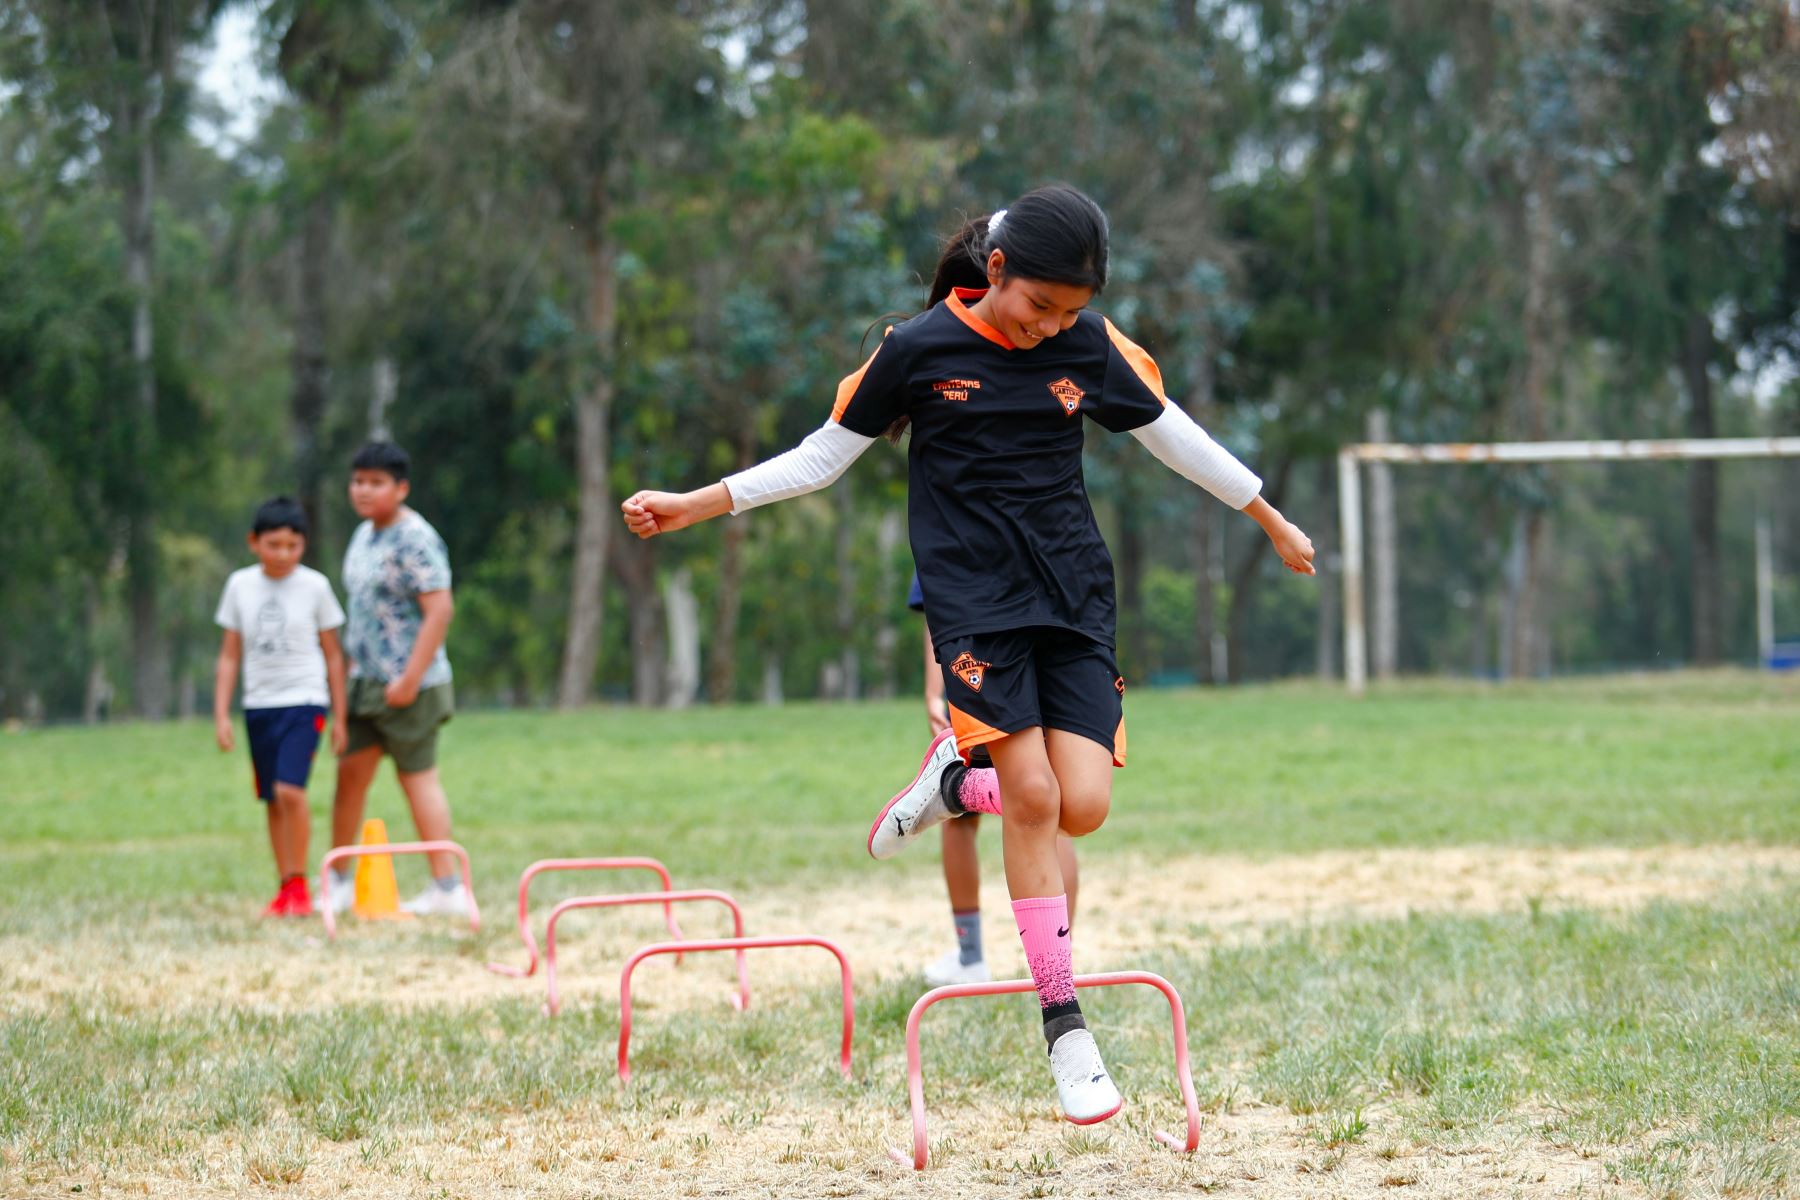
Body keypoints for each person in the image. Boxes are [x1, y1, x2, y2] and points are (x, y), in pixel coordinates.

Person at [621, 185, 1314, 1125]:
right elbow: (822, 457)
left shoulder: (1087, 345)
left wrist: (1265, 515)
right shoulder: (916, 352)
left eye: (1069, 313)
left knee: (1086, 808)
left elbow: (1169, 434)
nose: (1050, 328)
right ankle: (1066, 1031)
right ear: (995, 272)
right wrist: (696, 503)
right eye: (1039, 306)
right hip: (976, 605)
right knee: (1032, 799)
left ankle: (954, 786)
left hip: (1073, 596)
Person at [911, 572, 1080, 987]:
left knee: (959, 813)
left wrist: (937, 693)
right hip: (1052, 668)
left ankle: (972, 958)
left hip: (981, 674)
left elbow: (939, 605)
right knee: (1050, 810)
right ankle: (1057, 965)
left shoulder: (952, 513)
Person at [319, 441, 465, 917]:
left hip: (412, 685)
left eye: (376, 482)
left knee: (416, 779)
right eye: (358, 480)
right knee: (350, 776)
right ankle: (338, 882)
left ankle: (448, 888)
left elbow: (439, 609)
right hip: (365, 680)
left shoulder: (415, 538)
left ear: (401, 488)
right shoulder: (363, 535)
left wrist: (409, 677)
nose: (364, 490)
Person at [213, 496, 347, 917]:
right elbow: (230, 654)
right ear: (254, 542)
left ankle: (303, 887)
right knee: (272, 797)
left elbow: (334, 656)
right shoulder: (239, 586)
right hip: (259, 705)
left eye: (293, 545)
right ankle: (285, 885)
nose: (284, 554)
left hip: (305, 701)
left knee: (292, 790)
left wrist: (340, 716)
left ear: (303, 545)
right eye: (274, 545)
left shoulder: (315, 587)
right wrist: (221, 714)